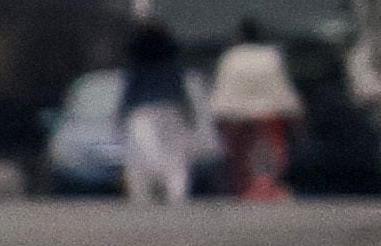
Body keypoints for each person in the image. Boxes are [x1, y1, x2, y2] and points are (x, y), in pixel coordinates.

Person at [204, 17, 299, 202]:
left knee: (240, 156)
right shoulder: (271, 56)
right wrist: (295, 116)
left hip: (235, 116)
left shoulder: (230, 57)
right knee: (267, 153)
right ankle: (265, 186)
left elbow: (222, 93)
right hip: (266, 115)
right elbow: (281, 90)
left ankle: (246, 189)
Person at [115, 22, 204, 206]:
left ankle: (144, 194)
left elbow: (129, 94)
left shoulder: (136, 67)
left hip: (142, 113)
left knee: (141, 156)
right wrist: (190, 115)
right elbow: (181, 92)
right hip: (171, 111)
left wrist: (120, 117)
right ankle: (176, 194)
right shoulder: (172, 65)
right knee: (175, 157)